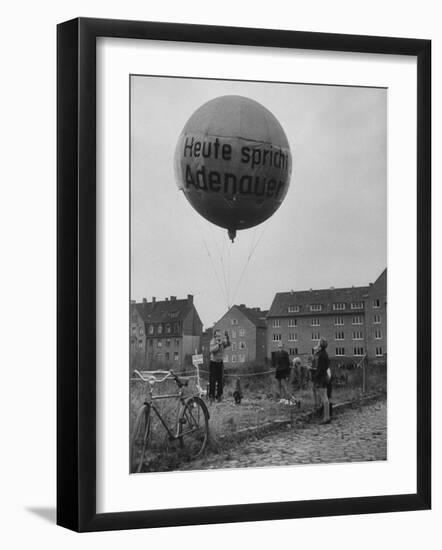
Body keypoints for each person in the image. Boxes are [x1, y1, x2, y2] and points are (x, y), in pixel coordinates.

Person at [313, 337, 331, 424]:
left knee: (324, 398)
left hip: (321, 378)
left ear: (320, 345)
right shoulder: (325, 354)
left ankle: (326, 417)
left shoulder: (321, 355)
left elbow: (320, 369)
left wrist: (315, 376)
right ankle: (326, 416)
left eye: (318, 343)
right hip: (325, 377)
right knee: (325, 397)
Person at [209, 329, 230, 402]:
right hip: (213, 363)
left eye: (220, 335)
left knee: (220, 380)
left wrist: (227, 337)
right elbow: (212, 350)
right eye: (217, 335)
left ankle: (219, 396)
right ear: (215, 336)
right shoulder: (213, 341)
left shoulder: (222, 342)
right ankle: (212, 396)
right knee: (212, 381)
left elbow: (228, 344)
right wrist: (219, 344)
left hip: (220, 363)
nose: (219, 337)